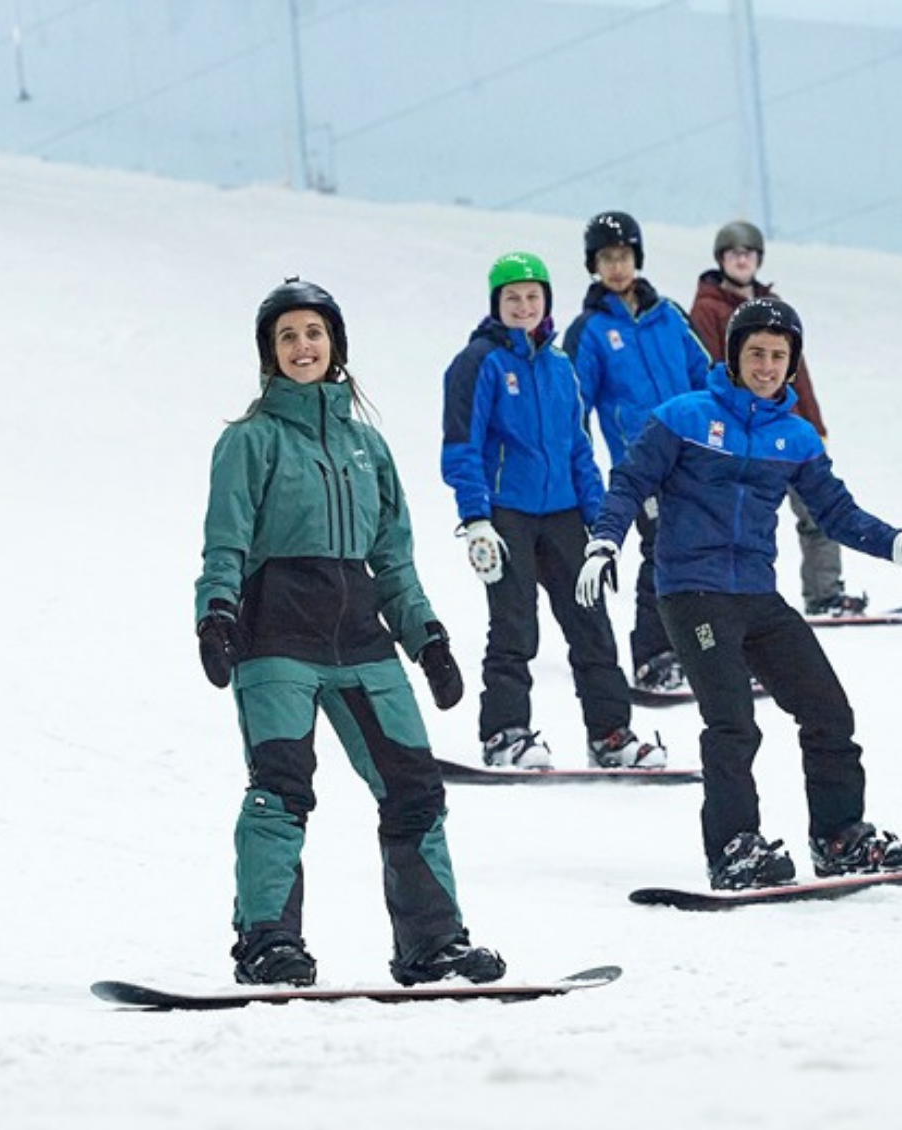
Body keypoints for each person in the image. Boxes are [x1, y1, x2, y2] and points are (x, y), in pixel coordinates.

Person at [195, 278, 505, 988]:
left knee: (415, 791)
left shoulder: (371, 447)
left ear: (335, 344)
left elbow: (393, 557)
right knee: (280, 789)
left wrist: (427, 638)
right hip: (277, 639)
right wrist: (215, 611)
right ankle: (268, 942)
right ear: (270, 356)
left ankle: (433, 945)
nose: (303, 347)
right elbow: (225, 542)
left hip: (364, 642)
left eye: (314, 333)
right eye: (287, 337)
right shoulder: (251, 441)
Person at [576, 297, 902, 890]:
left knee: (827, 710)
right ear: (734, 356)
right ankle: (733, 849)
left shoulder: (794, 437)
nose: (767, 365)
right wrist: (604, 543)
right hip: (692, 592)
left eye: (779, 356)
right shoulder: (683, 417)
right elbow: (629, 483)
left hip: (756, 596)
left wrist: (897, 543)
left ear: (792, 363)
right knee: (732, 722)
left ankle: (838, 834)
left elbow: (835, 512)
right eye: (756, 353)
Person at [440, 251, 666, 771]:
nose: (523, 306)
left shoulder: (561, 366)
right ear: (497, 303)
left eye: (532, 296)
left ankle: (611, 733)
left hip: (564, 513)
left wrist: (599, 524)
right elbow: (461, 447)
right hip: (507, 514)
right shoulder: (478, 363)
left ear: (546, 302)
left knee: (591, 624)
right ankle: (506, 733)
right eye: (512, 297)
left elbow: (579, 449)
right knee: (515, 625)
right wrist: (476, 517)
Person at [562, 211, 711, 696]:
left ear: (637, 258)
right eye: (607, 258)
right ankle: (653, 656)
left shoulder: (669, 315)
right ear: (594, 265)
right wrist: (579, 470)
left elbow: (706, 379)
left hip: (693, 457)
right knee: (662, 550)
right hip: (642, 464)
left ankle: (708, 650)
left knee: (706, 550)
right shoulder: (589, 330)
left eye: (623, 256)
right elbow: (575, 405)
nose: (617, 267)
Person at [690, 220, 864, 618]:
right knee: (740, 522)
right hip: (746, 434)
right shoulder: (707, 311)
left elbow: (797, 373)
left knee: (817, 510)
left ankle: (824, 594)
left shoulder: (774, 308)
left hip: (789, 431)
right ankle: (728, 602)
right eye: (734, 254)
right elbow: (713, 371)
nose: (741, 260)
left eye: (748, 254)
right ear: (721, 259)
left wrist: (815, 425)